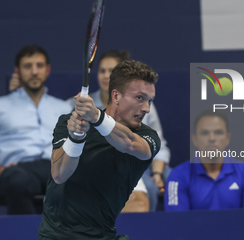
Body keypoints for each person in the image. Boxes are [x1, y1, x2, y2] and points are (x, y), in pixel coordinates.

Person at [38, 60, 160, 240]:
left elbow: (129, 143)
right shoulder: (68, 122)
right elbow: (59, 174)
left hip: (100, 236)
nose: (146, 109)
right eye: (140, 98)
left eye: (150, 100)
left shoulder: (146, 136)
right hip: (55, 236)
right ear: (116, 96)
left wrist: (96, 117)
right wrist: (76, 136)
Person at [67, 50, 171, 211]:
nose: (106, 76)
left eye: (112, 71)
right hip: (94, 166)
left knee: (151, 186)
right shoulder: (76, 105)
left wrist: (157, 173)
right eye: (102, 71)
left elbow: (156, 146)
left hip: (139, 165)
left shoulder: (144, 106)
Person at [0, 45, 72, 214]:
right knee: (16, 179)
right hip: (18, 170)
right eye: (27, 66)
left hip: (55, 170)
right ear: (17, 71)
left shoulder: (63, 107)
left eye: (39, 66)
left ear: (47, 70)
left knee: (84, 178)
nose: (34, 71)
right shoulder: (2, 106)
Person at [164, 110, 244, 211]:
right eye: (205, 133)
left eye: (218, 132)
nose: (212, 138)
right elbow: (177, 223)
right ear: (195, 140)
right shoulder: (177, 176)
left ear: (228, 138)